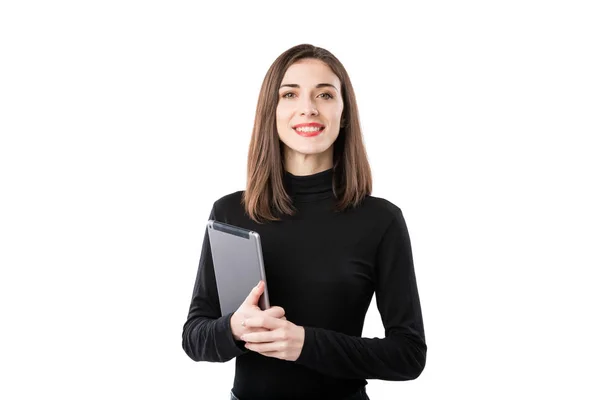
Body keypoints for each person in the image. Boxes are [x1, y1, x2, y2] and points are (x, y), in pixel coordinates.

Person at [182, 43, 427, 400]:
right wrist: (234, 328)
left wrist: (306, 344)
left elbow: (408, 355)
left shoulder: (381, 220)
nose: (308, 108)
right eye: (290, 94)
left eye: (325, 94)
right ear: (273, 111)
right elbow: (194, 338)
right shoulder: (230, 212)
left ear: (343, 113)